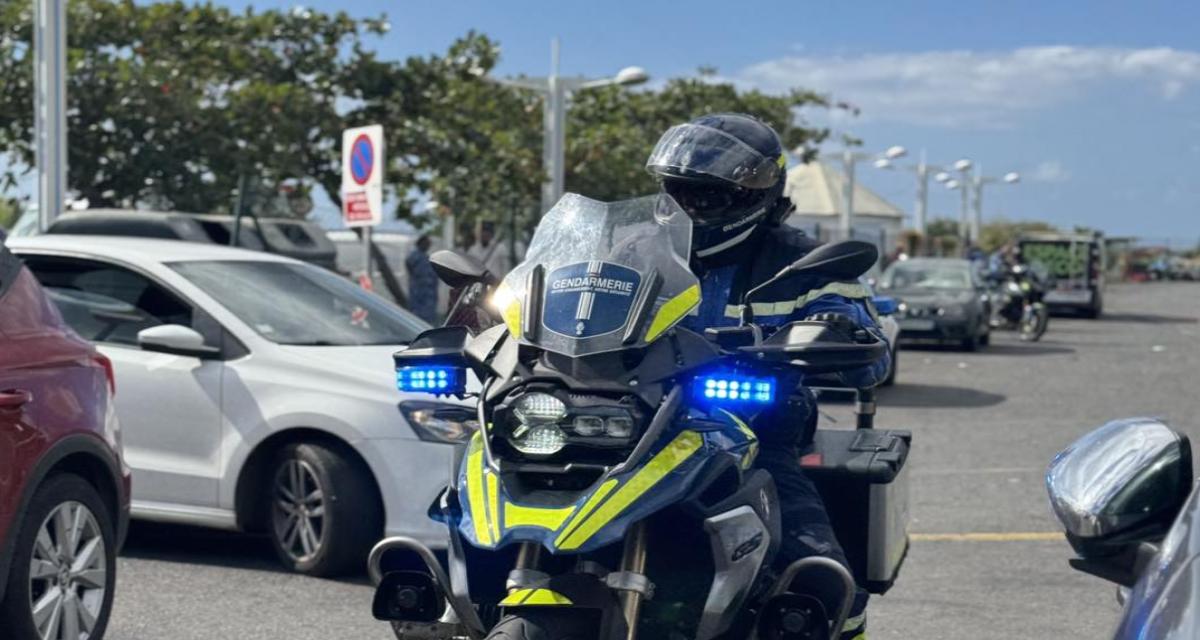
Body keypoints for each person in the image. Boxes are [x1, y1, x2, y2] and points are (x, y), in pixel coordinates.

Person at [646, 113, 890, 640]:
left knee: (822, 581)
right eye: (677, 192)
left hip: (752, 436)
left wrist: (839, 330)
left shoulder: (806, 263)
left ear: (753, 197)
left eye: (705, 195)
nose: (687, 207)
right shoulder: (633, 250)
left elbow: (871, 355)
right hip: (627, 428)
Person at [405, 235, 440, 325]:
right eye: (426, 243)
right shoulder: (415, 255)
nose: (428, 246)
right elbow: (408, 264)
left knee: (428, 316)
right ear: (420, 243)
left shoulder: (426, 257)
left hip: (429, 292)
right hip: (419, 291)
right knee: (417, 315)